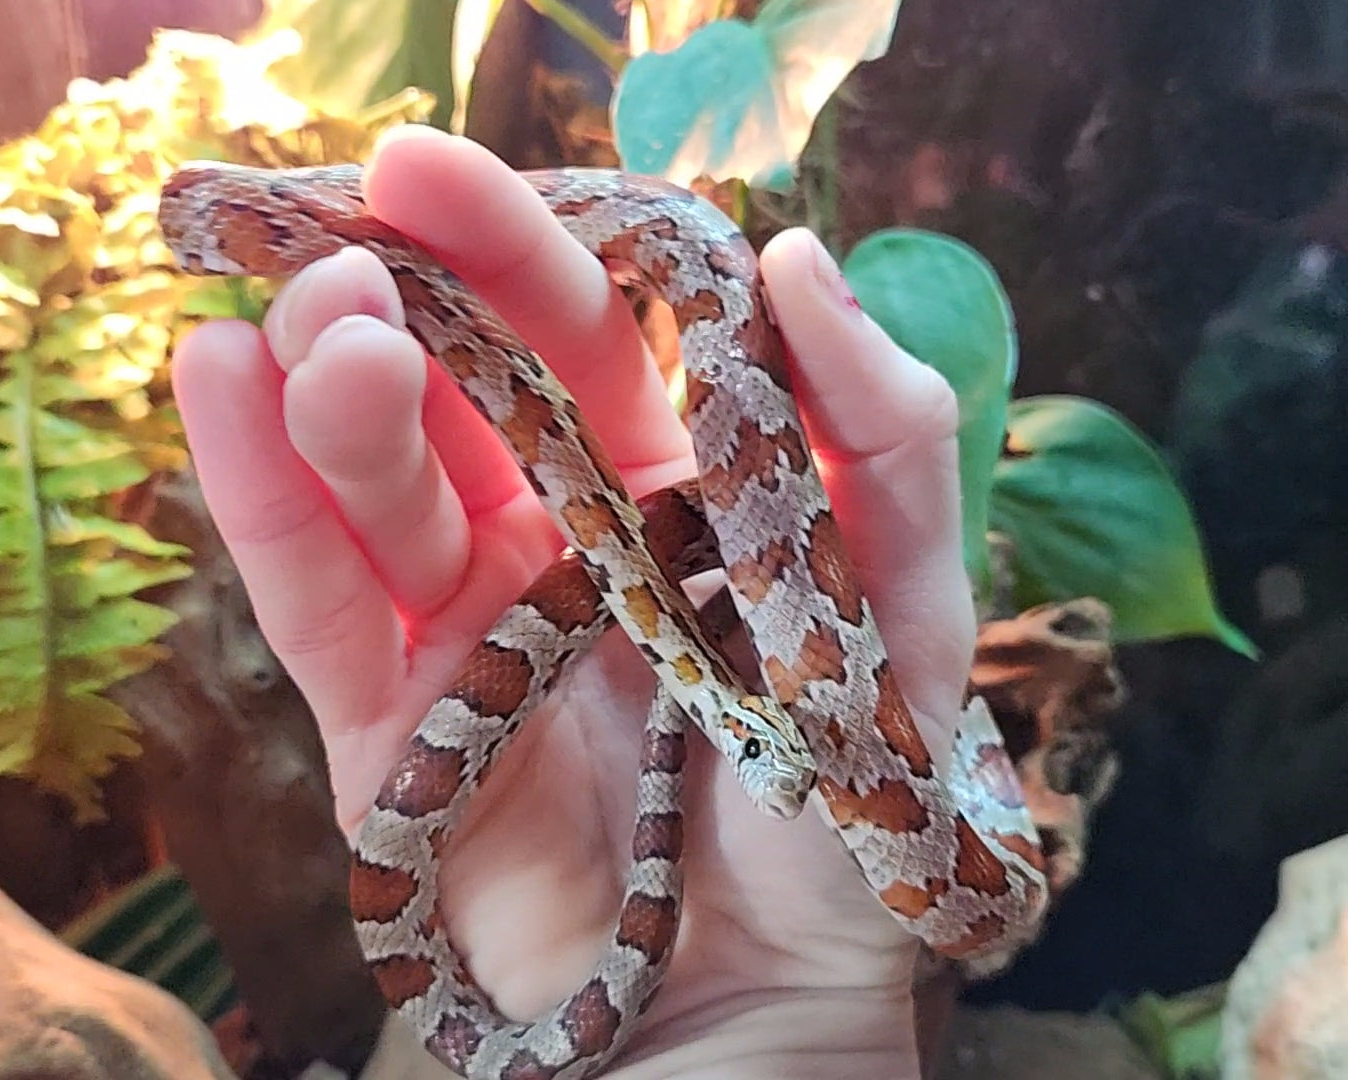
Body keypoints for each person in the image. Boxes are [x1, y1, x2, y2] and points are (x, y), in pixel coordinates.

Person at [172, 124, 976, 1079]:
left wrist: (795, 1005)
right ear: (746, 720)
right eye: (766, 745)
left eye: (771, 752)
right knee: (397, 265)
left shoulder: (727, 691)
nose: (789, 783)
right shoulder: (698, 669)